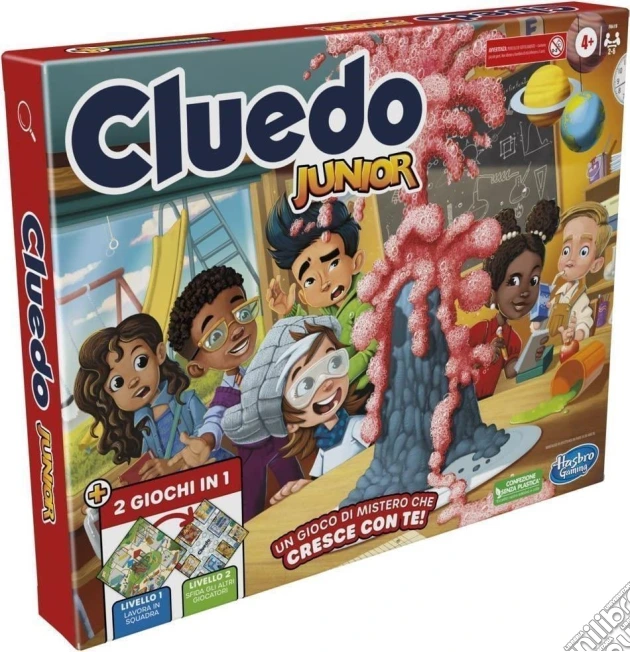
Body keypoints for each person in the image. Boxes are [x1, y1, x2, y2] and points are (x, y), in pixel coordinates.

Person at [168, 265, 302, 522]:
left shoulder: (261, 365)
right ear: (198, 366)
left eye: (242, 312)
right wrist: (206, 440)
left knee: (300, 490)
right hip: (250, 454)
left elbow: (288, 350)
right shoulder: (226, 392)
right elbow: (215, 417)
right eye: (216, 335)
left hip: (280, 441)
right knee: (249, 511)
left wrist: (287, 313)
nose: (237, 329)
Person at [222, 316, 369, 510]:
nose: (327, 383)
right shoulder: (324, 446)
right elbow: (325, 488)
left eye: (333, 363)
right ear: (289, 423)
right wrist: (307, 490)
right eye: (306, 385)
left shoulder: (360, 427)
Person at [74, 314, 211, 480]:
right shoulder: (144, 425)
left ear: (160, 354)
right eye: (117, 383)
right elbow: (150, 466)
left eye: (140, 362)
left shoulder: (187, 402)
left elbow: (209, 441)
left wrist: (174, 465)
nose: (133, 381)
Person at [265, 194, 376, 392]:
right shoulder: (329, 314)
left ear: (356, 262)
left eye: (332, 263)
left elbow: (372, 351)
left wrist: (335, 378)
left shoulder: (366, 301)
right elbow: (314, 336)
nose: (324, 282)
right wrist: (290, 310)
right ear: (304, 296)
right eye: (310, 280)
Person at [470, 200, 560, 399]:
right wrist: (485, 353)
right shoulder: (480, 330)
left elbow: (510, 371)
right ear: (493, 288)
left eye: (533, 280)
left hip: (487, 402)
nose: (525, 291)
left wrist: (529, 358)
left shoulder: (513, 339)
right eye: (513, 281)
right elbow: (453, 366)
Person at [546, 201, 612, 346]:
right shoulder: (558, 294)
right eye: (566, 251)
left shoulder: (580, 299)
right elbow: (547, 323)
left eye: (583, 251)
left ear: (596, 265)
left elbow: (585, 322)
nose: (570, 260)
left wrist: (576, 334)